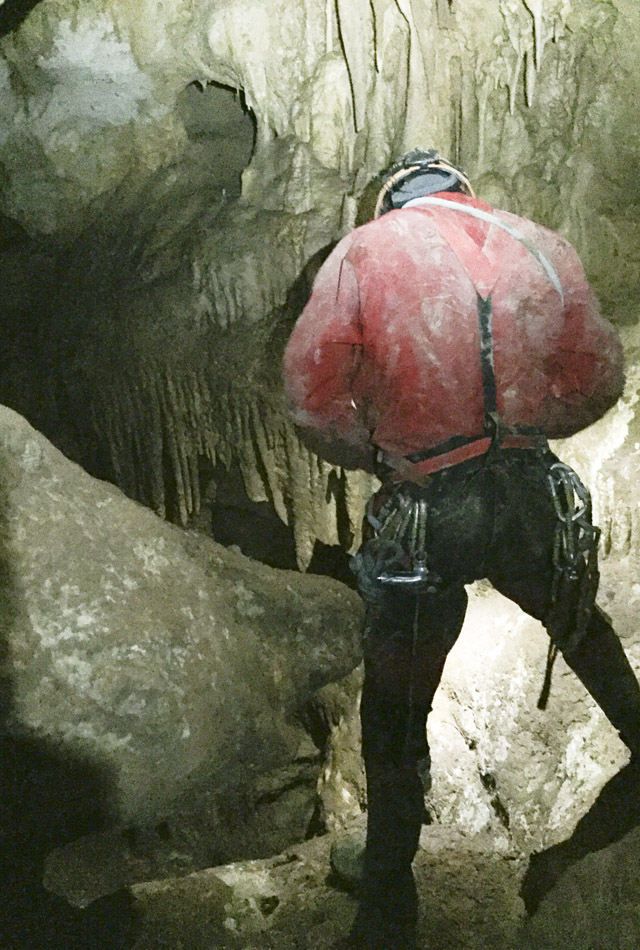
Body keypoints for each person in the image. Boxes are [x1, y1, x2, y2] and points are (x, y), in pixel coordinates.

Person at [282, 148, 640, 949]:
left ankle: (386, 904)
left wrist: (379, 451)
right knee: (580, 626)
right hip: (526, 491)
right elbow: (599, 374)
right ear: (464, 194)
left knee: (398, 711)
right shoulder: (539, 243)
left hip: (425, 506)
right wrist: (523, 432)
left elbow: (309, 397)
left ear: (391, 202)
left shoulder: (366, 250)